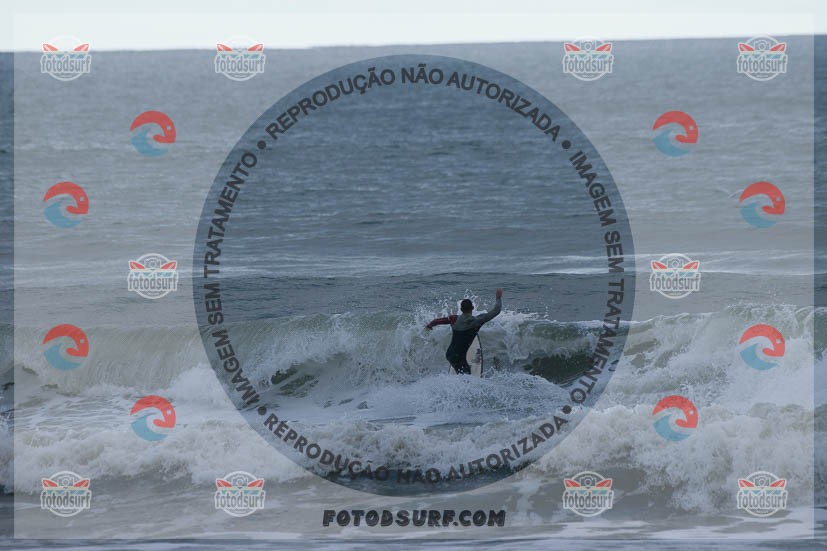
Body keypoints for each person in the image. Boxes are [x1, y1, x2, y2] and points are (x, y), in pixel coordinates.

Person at [425, 289, 503, 374]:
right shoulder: (477, 321)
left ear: (461, 309)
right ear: (472, 308)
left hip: (449, 354)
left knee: (461, 370)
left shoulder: (453, 319)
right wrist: (498, 298)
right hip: (459, 358)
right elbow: (496, 310)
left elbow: (436, 321)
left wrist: (429, 326)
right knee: (466, 376)